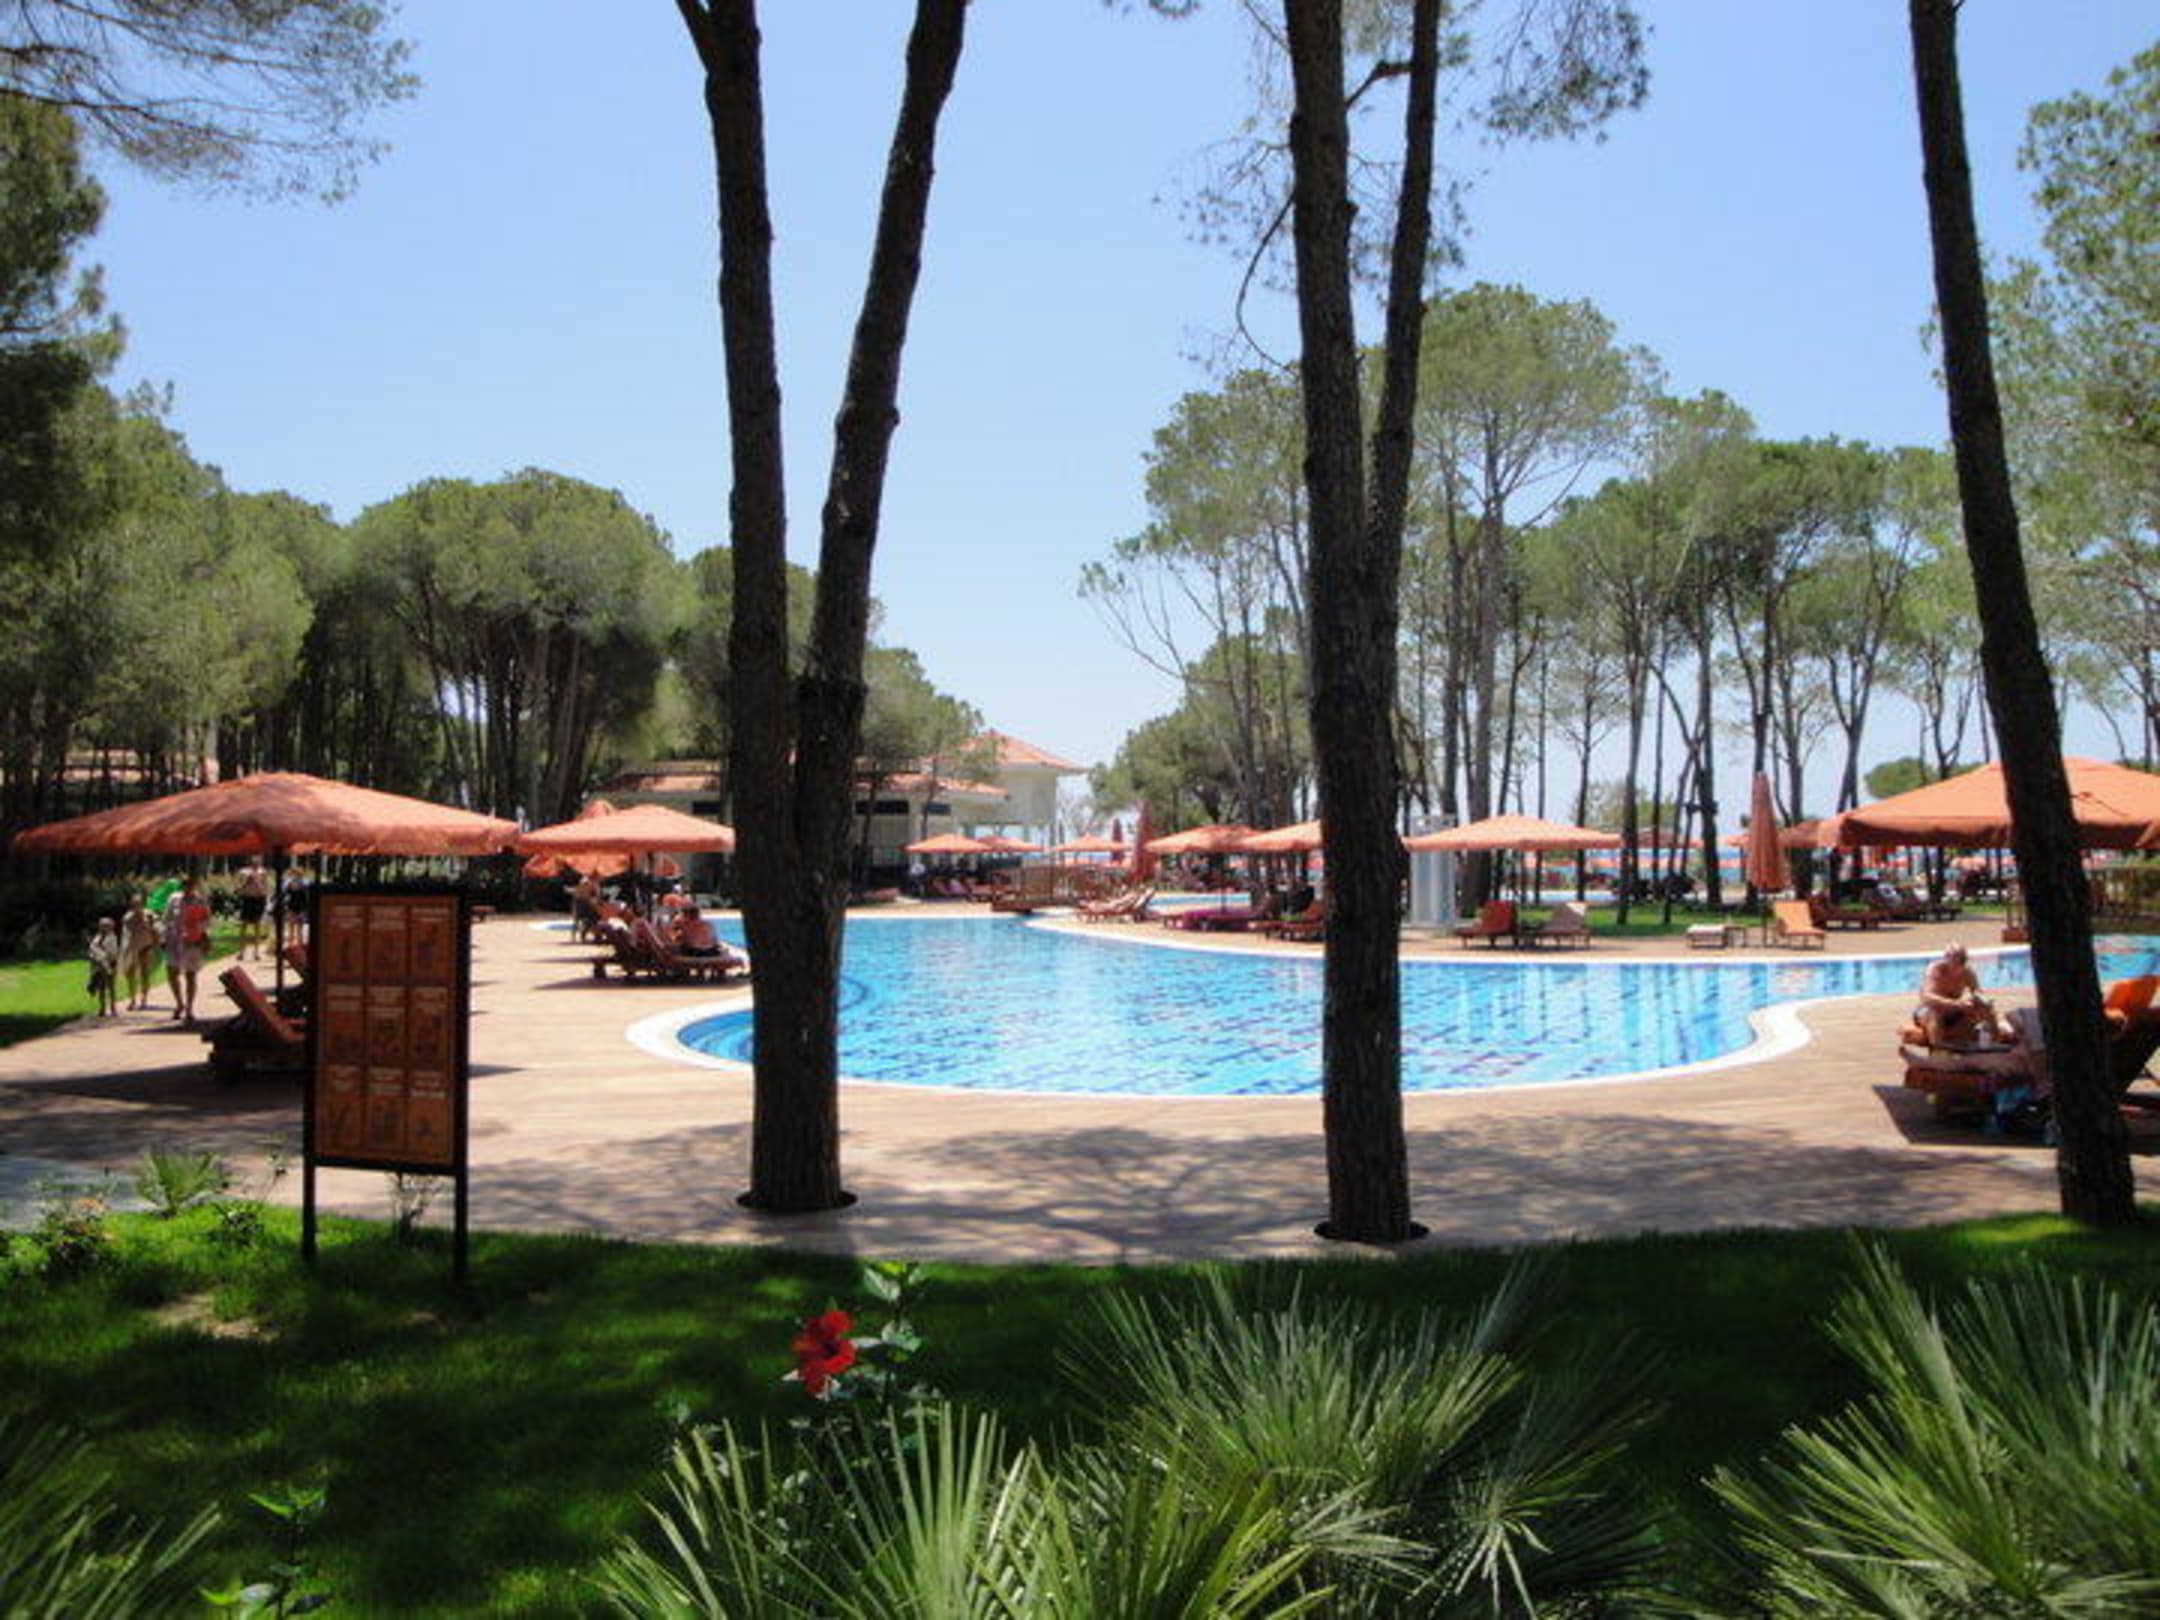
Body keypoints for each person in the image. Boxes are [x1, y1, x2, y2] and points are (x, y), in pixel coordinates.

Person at [1918, 941, 2000, 1047]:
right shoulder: (1935, 970)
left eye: (1962, 960)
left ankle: (1994, 1042)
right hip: (1928, 1011)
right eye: (1956, 960)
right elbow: (1927, 997)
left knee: (1985, 1008)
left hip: (1953, 1010)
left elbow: (1977, 992)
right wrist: (1956, 1004)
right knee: (1935, 1013)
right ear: (1947, 959)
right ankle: (1939, 1048)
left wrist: (1984, 1002)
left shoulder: (1967, 972)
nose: (1959, 964)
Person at [163, 875, 213, 1023]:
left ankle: (189, 1009)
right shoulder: (173, 899)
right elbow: (166, 918)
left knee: (190, 976)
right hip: (175, 941)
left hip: (193, 941)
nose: (187, 888)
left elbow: (208, 920)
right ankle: (179, 1003)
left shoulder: (201, 900)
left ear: (194, 885)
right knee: (171, 973)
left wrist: (196, 929)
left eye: (190, 885)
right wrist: (167, 934)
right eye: (184, 885)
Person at [118, 894, 161, 1011]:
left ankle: (143, 998)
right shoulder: (127, 917)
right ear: (131, 905)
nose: (137, 906)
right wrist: (124, 950)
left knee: (144, 973)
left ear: (143, 904)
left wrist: (151, 927)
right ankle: (132, 999)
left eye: (139, 903)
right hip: (131, 948)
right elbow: (126, 935)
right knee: (130, 974)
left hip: (146, 946)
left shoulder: (150, 915)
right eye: (134, 904)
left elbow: (158, 929)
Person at [234, 856, 272, 960]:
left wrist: (258, 883)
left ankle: (256, 953)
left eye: (258, 862)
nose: (256, 863)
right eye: (254, 862)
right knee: (244, 926)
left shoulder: (263, 872)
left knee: (257, 926)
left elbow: (265, 890)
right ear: (250, 862)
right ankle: (241, 952)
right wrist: (246, 882)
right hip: (247, 900)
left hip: (258, 900)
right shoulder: (243, 872)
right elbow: (237, 890)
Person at [86, 916, 121, 1017]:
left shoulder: (112, 938)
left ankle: (113, 1008)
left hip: (110, 964)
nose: (104, 928)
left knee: (111, 987)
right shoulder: (97, 938)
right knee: (101, 987)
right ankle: (102, 1007)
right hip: (99, 966)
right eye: (102, 926)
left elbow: (114, 952)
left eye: (106, 926)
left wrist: (109, 960)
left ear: (111, 927)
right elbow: (92, 950)